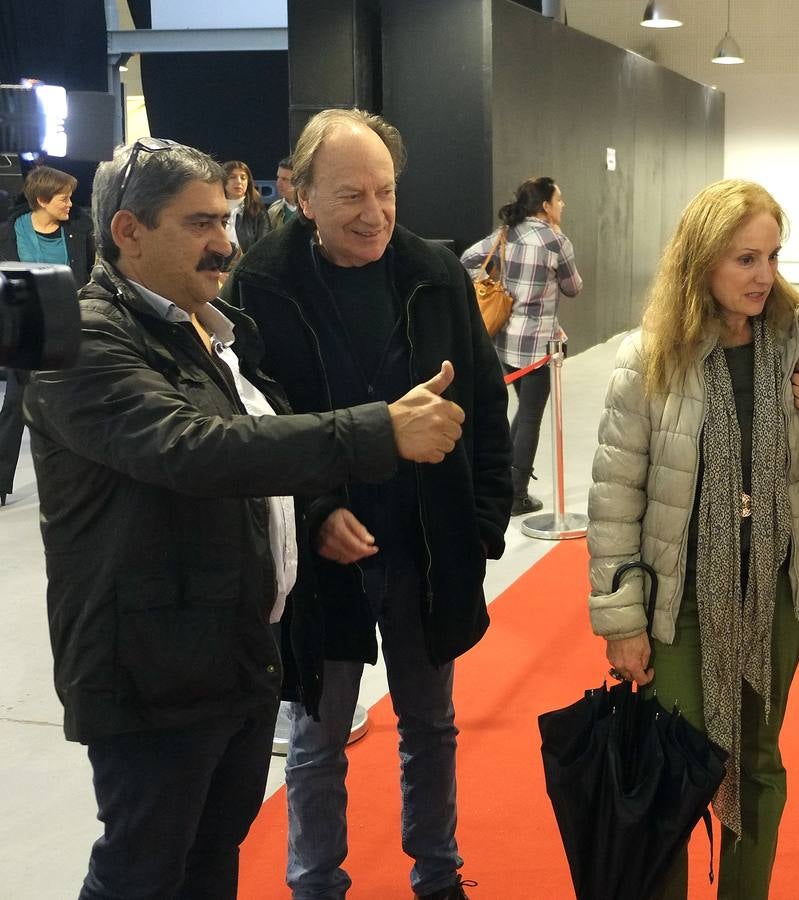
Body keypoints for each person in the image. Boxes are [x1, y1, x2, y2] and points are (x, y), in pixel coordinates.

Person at [23, 137, 467, 900]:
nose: (225, 242)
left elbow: (266, 440)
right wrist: (377, 431)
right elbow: (196, 449)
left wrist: (319, 510)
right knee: (141, 870)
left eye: (225, 221)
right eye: (200, 224)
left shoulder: (208, 330)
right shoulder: (87, 341)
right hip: (150, 669)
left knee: (206, 863)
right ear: (128, 231)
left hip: (230, 656)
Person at [223, 108, 512, 900]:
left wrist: (483, 525)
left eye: (386, 191)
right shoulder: (260, 284)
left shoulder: (435, 272)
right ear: (301, 194)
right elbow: (253, 422)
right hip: (323, 563)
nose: (375, 212)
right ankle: (317, 883)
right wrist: (315, 513)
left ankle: (439, 874)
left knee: (431, 726)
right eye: (351, 194)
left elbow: (487, 406)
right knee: (317, 739)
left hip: (427, 546)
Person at [587, 179, 799, 899]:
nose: (764, 276)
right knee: (678, 765)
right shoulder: (651, 356)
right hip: (677, 599)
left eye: (772, 256)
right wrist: (622, 620)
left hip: (775, 590)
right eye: (744, 259)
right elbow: (617, 496)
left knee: (758, 760)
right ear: (701, 260)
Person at [460, 176, 581, 515]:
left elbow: (467, 259)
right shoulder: (556, 241)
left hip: (505, 342)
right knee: (530, 417)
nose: (562, 205)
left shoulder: (505, 233)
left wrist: (489, 282)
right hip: (540, 347)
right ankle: (516, 495)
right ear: (545, 205)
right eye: (559, 199)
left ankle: (505, 484)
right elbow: (573, 287)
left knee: (521, 413)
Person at [0, 164, 95, 506]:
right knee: (15, 404)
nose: (70, 204)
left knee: (75, 402)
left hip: (70, 326)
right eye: (64, 197)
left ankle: (83, 477)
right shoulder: (9, 233)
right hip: (23, 331)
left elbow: (93, 271)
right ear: (42, 199)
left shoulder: (81, 228)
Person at [223, 159, 270, 254]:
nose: (239, 182)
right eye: (232, 177)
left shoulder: (258, 211)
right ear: (223, 181)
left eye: (243, 178)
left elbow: (265, 246)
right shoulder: (213, 210)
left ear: (248, 182)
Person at [268, 155, 300, 228]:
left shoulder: (313, 211)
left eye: (285, 179)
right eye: (278, 177)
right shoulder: (273, 210)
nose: (278, 183)